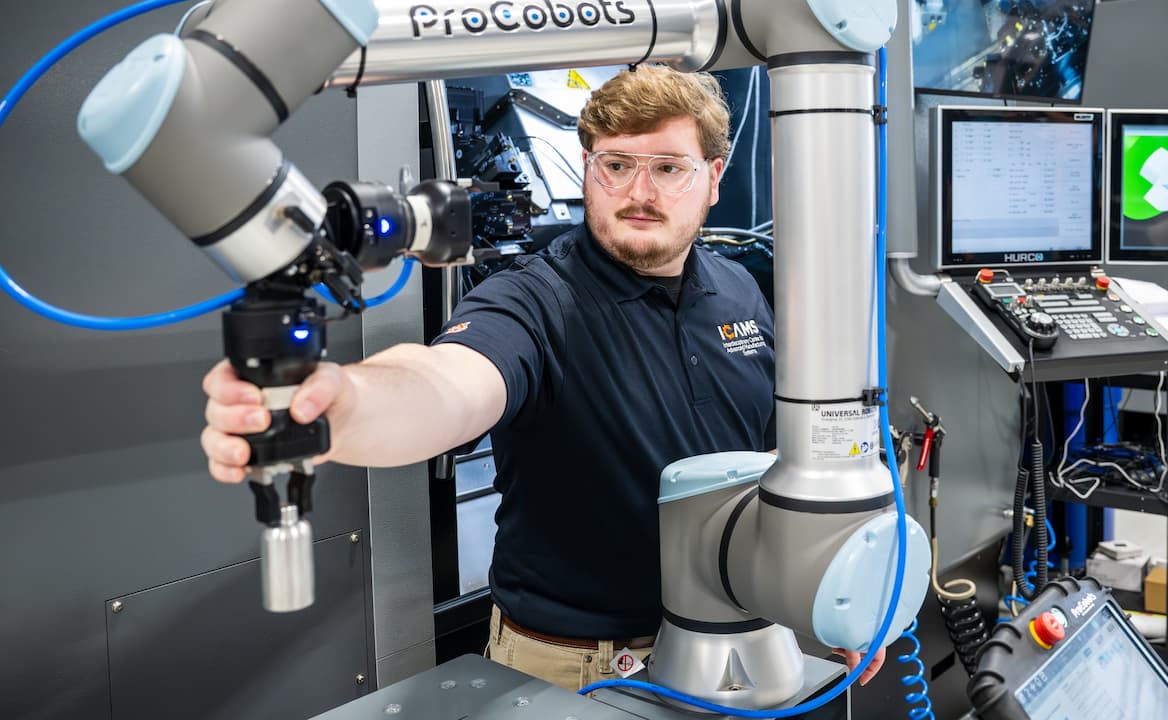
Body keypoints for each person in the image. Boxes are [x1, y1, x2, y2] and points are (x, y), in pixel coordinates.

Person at [201, 64, 885, 692]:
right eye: (616, 165)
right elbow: (448, 382)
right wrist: (343, 407)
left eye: (670, 168)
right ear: (588, 169)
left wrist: (822, 588)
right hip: (581, 664)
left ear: (713, 176)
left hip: (743, 635)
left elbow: (779, 461)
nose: (639, 193)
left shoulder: (740, 291)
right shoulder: (536, 299)